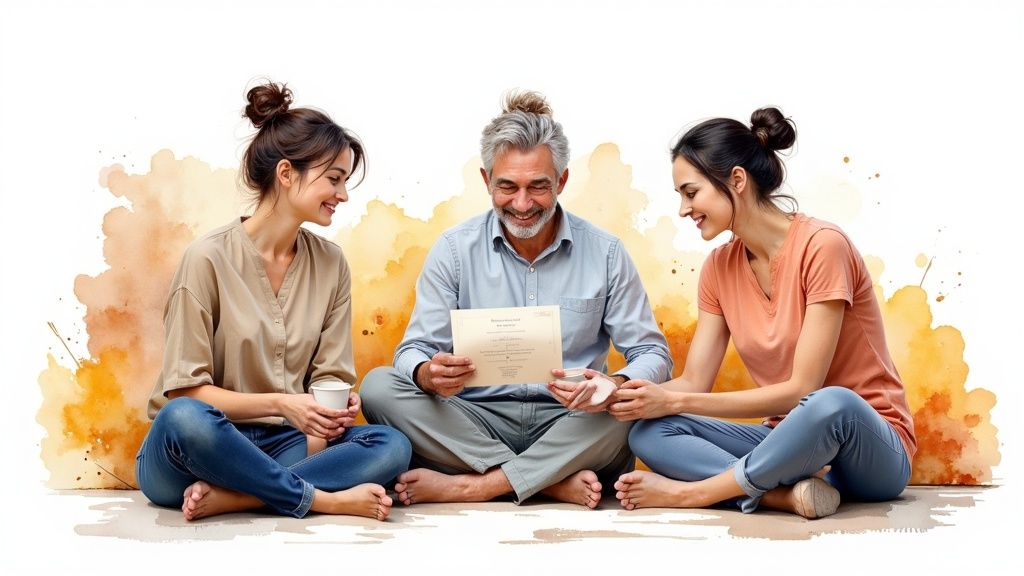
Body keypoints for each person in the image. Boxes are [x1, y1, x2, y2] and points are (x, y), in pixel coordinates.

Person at [360, 90, 672, 509]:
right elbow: (413, 349)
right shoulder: (454, 250)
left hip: (572, 423)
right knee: (379, 386)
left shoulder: (607, 253)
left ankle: (479, 485)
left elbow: (653, 355)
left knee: (629, 413)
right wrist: (427, 373)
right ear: (487, 181)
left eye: (538, 187)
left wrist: (611, 385)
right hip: (473, 424)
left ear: (561, 181)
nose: (522, 204)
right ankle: (546, 482)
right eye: (507, 186)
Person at [612, 107, 915, 519]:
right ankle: (782, 496)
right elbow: (696, 381)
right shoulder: (718, 268)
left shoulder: (823, 246)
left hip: (868, 449)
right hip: (786, 446)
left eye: (690, 192)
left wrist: (670, 400)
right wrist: (623, 393)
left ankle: (696, 493)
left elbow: (801, 390)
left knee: (831, 403)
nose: (684, 209)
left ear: (736, 180)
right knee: (650, 431)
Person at [135, 81, 411, 522]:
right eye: (334, 180)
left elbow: (329, 378)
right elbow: (186, 391)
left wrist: (330, 414)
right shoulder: (206, 259)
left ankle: (240, 496)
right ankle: (322, 499)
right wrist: (284, 403)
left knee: (392, 445)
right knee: (183, 417)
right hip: (198, 449)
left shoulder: (331, 263)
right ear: (286, 174)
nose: (342, 195)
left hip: (288, 444)